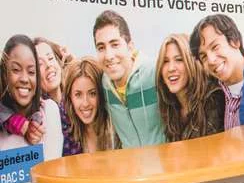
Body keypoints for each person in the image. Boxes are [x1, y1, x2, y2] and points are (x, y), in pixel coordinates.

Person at [0, 35, 63, 183]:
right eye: (15, 70)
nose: (24, 78)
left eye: (31, 71)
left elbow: (53, 182)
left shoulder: (49, 111)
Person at [93, 10, 164, 148]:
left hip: (167, 166)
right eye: (101, 47)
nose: (108, 55)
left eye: (115, 44)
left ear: (130, 46)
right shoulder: (104, 83)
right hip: (131, 168)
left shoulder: (155, 73)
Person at [155, 34, 225, 142]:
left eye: (179, 60)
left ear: (193, 63)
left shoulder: (214, 99)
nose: (171, 68)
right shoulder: (170, 107)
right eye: (165, 61)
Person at [190, 14, 244, 130]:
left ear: (235, 41)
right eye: (204, 56)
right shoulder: (215, 95)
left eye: (215, 47)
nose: (211, 60)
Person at [34, 37, 79, 156]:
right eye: (40, 64)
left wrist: (74, 64)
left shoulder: (76, 99)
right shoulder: (38, 114)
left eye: (50, 58)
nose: (49, 65)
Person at [63, 57, 117, 154]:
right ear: (70, 97)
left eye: (92, 93)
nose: (85, 103)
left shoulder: (116, 129)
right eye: (78, 95)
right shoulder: (66, 133)